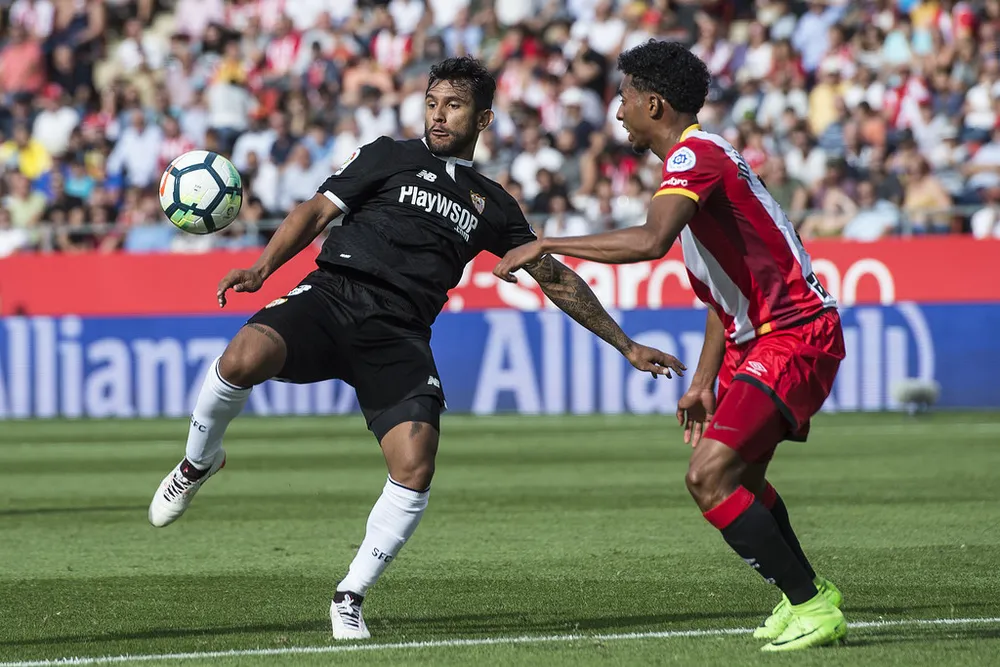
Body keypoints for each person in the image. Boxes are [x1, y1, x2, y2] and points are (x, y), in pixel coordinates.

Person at [147, 57, 683, 640]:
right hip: (333, 295)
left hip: (400, 332)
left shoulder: (493, 204)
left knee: (416, 461)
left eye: (452, 106)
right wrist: (262, 269)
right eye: (431, 103)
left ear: (483, 118)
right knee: (240, 359)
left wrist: (625, 344)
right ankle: (198, 462)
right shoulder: (387, 154)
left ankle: (349, 595)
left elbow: (553, 277)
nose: (438, 114)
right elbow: (316, 211)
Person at [494, 41, 847, 653]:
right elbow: (719, 299)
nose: (618, 110)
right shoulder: (696, 172)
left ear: (654, 102)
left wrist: (547, 243)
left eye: (625, 97)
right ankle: (807, 596)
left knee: (707, 478)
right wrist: (704, 381)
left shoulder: (694, 156)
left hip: (793, 332)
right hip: (761, 335)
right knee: (741, 480)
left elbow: (651, 240)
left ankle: (812, 605)